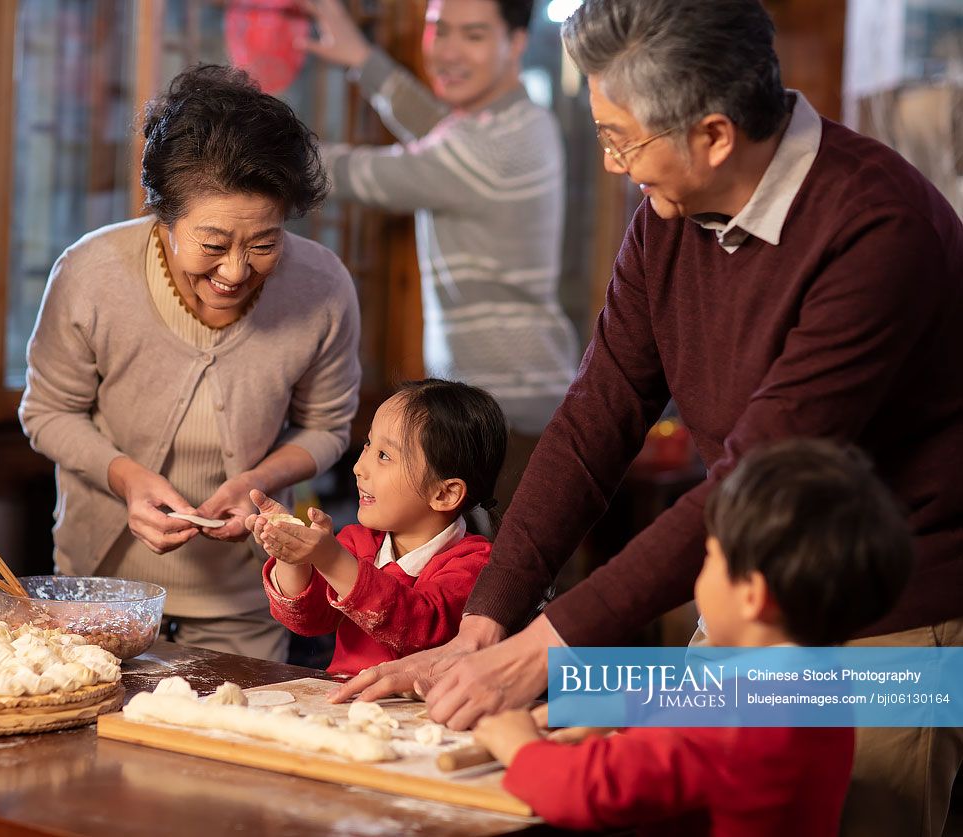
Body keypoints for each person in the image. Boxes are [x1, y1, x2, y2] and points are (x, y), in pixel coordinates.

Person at [332, 1, 963, 833]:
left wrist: (538, 652)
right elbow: (597, 414)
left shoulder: (877, 226)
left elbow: (751, 476)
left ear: (712, 135)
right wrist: (485, 622)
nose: (611, 164)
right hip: (750, 596)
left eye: (621, 139)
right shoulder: (667, 212)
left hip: (886, 619)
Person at [19, 66, 361, 663]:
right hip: (99, 588)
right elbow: (47, 412)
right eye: (212, 244)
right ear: (165, 217)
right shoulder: (92, 272)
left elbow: (329, 426)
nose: (234, 271)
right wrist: (127, 478)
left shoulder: (322, 286)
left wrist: (257, 481)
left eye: (263, 245)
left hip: (247, 596)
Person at [473, 439, 914, 836]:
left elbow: (586, 791)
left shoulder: (733, 722)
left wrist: (520, 745)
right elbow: (700, 700)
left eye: (710, 557)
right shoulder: (818, 685)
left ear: (752, 596)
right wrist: (613, 707)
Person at [304, 0, 577, 506]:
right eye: (439, 30)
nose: (448, 51)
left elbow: (369, 173)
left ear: (516, 43)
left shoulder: (496, 146)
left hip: (508, 417)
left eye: (472, 35)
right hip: (506, 406)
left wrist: (252, 144)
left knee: (499, 584)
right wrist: (361, 57)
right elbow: (436, 128)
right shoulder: (510, 122)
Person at [249, 379, 506, 675]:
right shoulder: (357, 542)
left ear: (444, 494)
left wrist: (331, 560)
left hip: (423, 713)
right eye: (369, 445)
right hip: (348, 705)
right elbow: (307, 621)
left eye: (384, 456)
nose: (359, 467)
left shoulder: (475, 563)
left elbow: (418, 627)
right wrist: (290, 556)